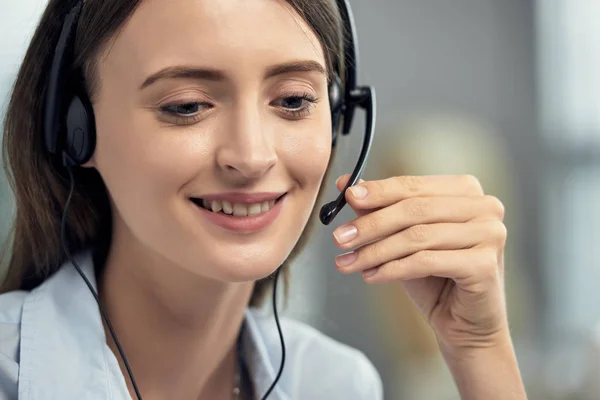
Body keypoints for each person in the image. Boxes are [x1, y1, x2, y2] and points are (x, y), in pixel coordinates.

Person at [0, 0, 528, 399]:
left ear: (339, 114)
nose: (251, 156)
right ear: (75, 129)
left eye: (295, 99)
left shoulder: (336, 384)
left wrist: (480, 351)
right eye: (187, 106)